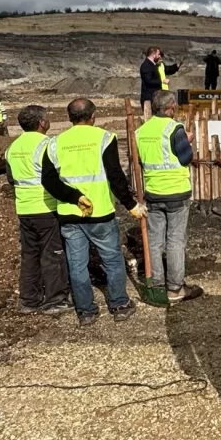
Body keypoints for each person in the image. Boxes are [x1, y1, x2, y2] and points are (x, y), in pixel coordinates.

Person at [40, 98, 146, 326]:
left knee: (77, 264)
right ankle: (119, 305)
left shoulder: (55, 143)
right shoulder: (104, 138)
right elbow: (115, 176)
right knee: (112, 260)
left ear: (69, 117)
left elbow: (48, 180)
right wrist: (131, 205)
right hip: (100, 213)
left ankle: (86, 312)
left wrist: (74, 197)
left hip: (70, 215)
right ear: (93, 116)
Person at [135, 90, 201, 303]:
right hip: (176, 192)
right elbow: (185, 157)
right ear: (171, 107)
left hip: (153, 192)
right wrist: (188, 141)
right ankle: (175, 288)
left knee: (155, 241)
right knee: (175, 240)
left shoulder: (141, 131)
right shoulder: (174, 129)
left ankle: (157, 284)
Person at [6, 105, 71, 315]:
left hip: (24, 209)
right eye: (47, 118)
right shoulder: (47, 145)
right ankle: (55, 300)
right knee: (53, 254)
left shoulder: (12, 147)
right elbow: (57, 175)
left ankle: (28, 300)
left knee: (30, 255)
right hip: (46, 208)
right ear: (42, 123)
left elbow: (11, 179)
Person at [139, 47, 181, 112]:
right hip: (149, 98)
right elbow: (148, 81)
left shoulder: (156, 65)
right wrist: (162, 81)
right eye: (158, 54)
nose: (159, 56)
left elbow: (166, 70)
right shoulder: (146, 66)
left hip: (156, 97)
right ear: (153, 55)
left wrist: (176, 67)